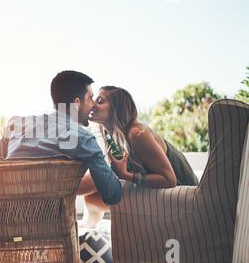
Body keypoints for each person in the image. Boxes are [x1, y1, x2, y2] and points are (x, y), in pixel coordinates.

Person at [0, 70, 122, 206]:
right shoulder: (83, 139)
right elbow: (112, 195)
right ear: (76, 103)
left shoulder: (16, 124)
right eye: (90, 98)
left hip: (4, 215)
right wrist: (117, 169)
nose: (94, 104)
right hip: (50, 220)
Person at [80, 85, 199, 226]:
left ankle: (58, 196)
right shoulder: (114, 136)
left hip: (183, 198)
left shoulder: (136, 133)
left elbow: (170, 179)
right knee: (91, 198)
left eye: (100, 101)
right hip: (163, 192)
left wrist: (126, 175)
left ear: (116, 109)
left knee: (99, 179)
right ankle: (87, 232)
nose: (92, 104)